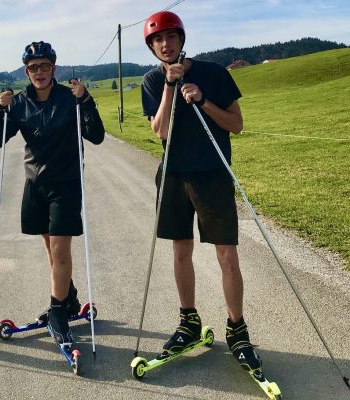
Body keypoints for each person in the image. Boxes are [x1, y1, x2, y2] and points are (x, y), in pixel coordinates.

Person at [141, 11, 262, 372]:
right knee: (181, 251)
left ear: (181, 38)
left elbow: (236, 125)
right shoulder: (151, 80)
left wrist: (203, 100)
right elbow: (160, 131)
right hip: (174, 175)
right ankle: (188, 321)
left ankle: (237, 329)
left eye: (171, 37)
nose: (166, 44)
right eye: (158, 40)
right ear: (152, 47)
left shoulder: (213, 72)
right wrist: (169, 86)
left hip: (212, 175)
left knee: (227, 255)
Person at [0, 41, 105, 350]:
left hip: (65, 183)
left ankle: (57, 313)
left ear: (54, 68)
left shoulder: (70, 98)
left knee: (60, 247)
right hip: (35, 183)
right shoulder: (20, 102)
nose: (39, 72)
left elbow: (96, 135)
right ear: (26, 72)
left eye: (45, 66)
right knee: (49, 246)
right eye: (33, 68)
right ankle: (68, 297)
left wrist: (87, 100)